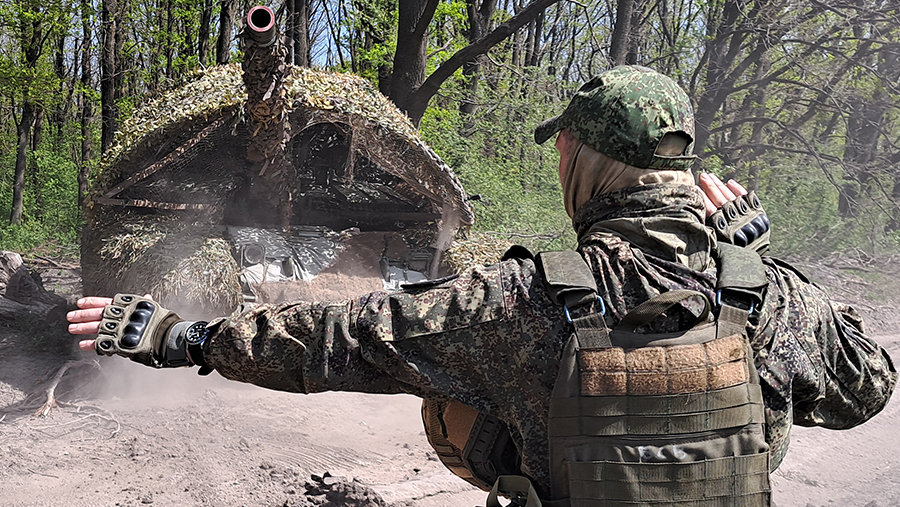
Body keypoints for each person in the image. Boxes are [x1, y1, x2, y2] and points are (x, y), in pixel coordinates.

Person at [68, 66, 896, 506]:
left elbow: (344, 337)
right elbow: (866, 386)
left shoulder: (525, 301)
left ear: (581, 160)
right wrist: (765, 259)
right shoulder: (770, 297)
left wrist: (183, 336)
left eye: (564, 151)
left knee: (455, 399)